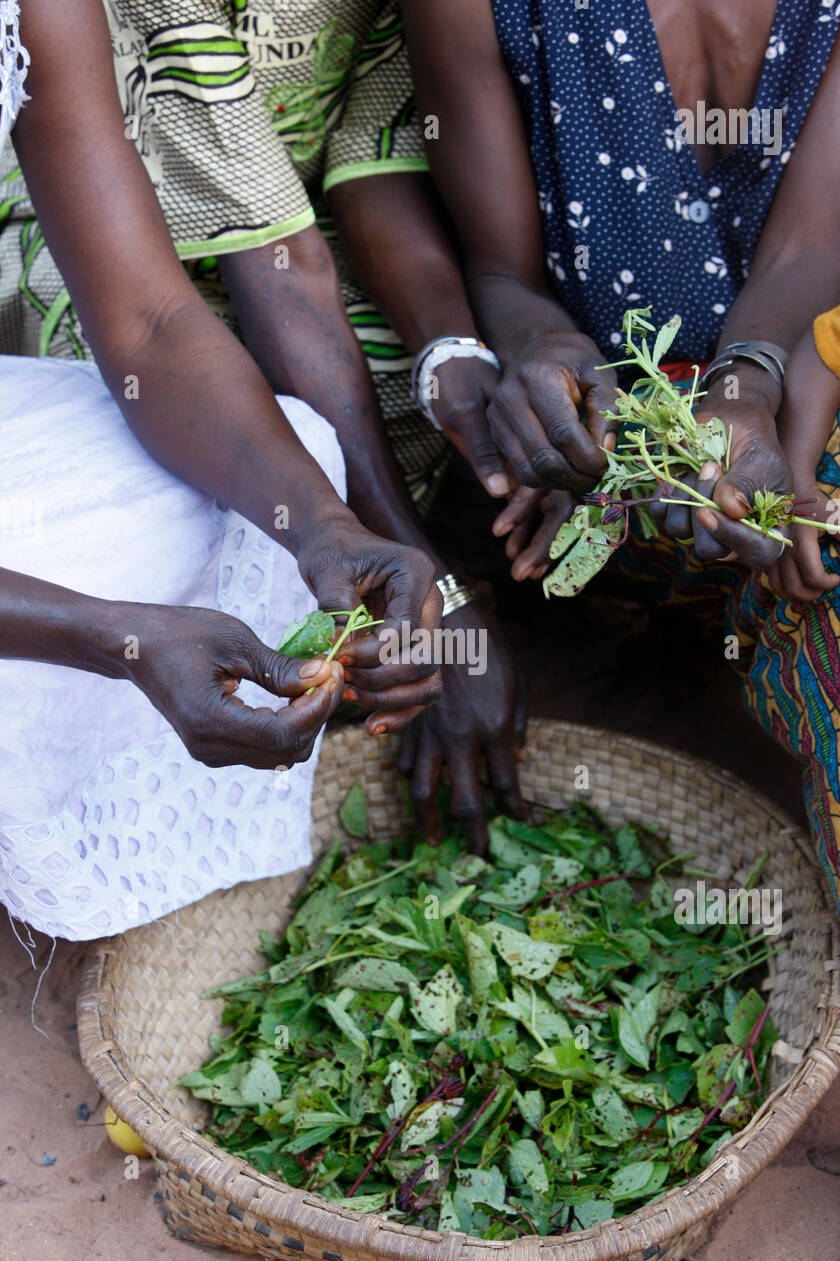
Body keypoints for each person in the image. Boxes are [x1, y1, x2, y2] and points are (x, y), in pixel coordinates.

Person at [399, 1, 840, 1019]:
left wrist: (742, 396)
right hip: (603, 476)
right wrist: (546, 358)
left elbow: (809, 254)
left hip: (788, 414)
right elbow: (500, 276)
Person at [0, 0, 528, 852]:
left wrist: (323, 526)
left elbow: (148, 321)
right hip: (60, 258)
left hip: (190, 247)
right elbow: (271, 279)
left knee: (297, 448)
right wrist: (115, 637)